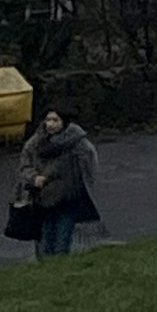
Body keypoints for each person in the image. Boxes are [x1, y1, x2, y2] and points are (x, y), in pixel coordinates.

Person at [16, 107, 100, 260]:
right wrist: (34, 178)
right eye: (48, 120)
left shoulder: (77, 143)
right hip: (41, 198)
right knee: (43, 241)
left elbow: (89, 165)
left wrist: (81, 183)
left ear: (64, 122)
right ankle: (44, 269)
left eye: (55, 120)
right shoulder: (34, 143)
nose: (50, 124)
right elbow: (24, 165)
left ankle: (60, 267)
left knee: (62, 241)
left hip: (66, 198)